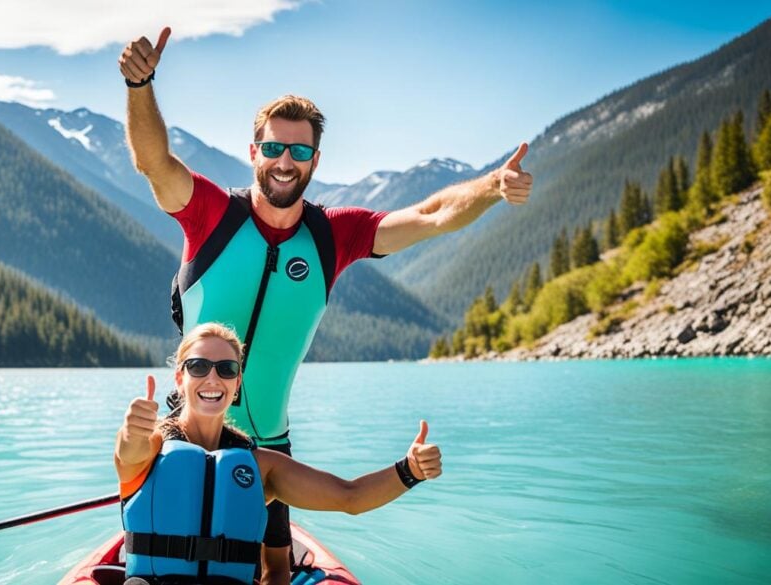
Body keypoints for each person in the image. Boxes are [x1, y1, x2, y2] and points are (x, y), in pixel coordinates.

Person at [118, 27, 531, 584]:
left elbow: (432, 214)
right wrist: (139, 84)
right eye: (272, 147)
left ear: (315, 159)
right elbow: (153, 162)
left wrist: (490, 187)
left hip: (270, 448)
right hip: (183, 431)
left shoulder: (335, 236)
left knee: (277, 572)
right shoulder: (210, 213)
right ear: (253, 152)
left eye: (299, 149)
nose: (285, 160)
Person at [115, 323, 442, 585]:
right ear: (179, 377)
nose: (212, 378)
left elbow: (350, 497)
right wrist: (132, 429)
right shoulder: (151, 446)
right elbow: (129, 451)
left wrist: (410, 470)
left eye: (226, 369)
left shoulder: (262, 467)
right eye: (198, 366)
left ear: (238, 382)